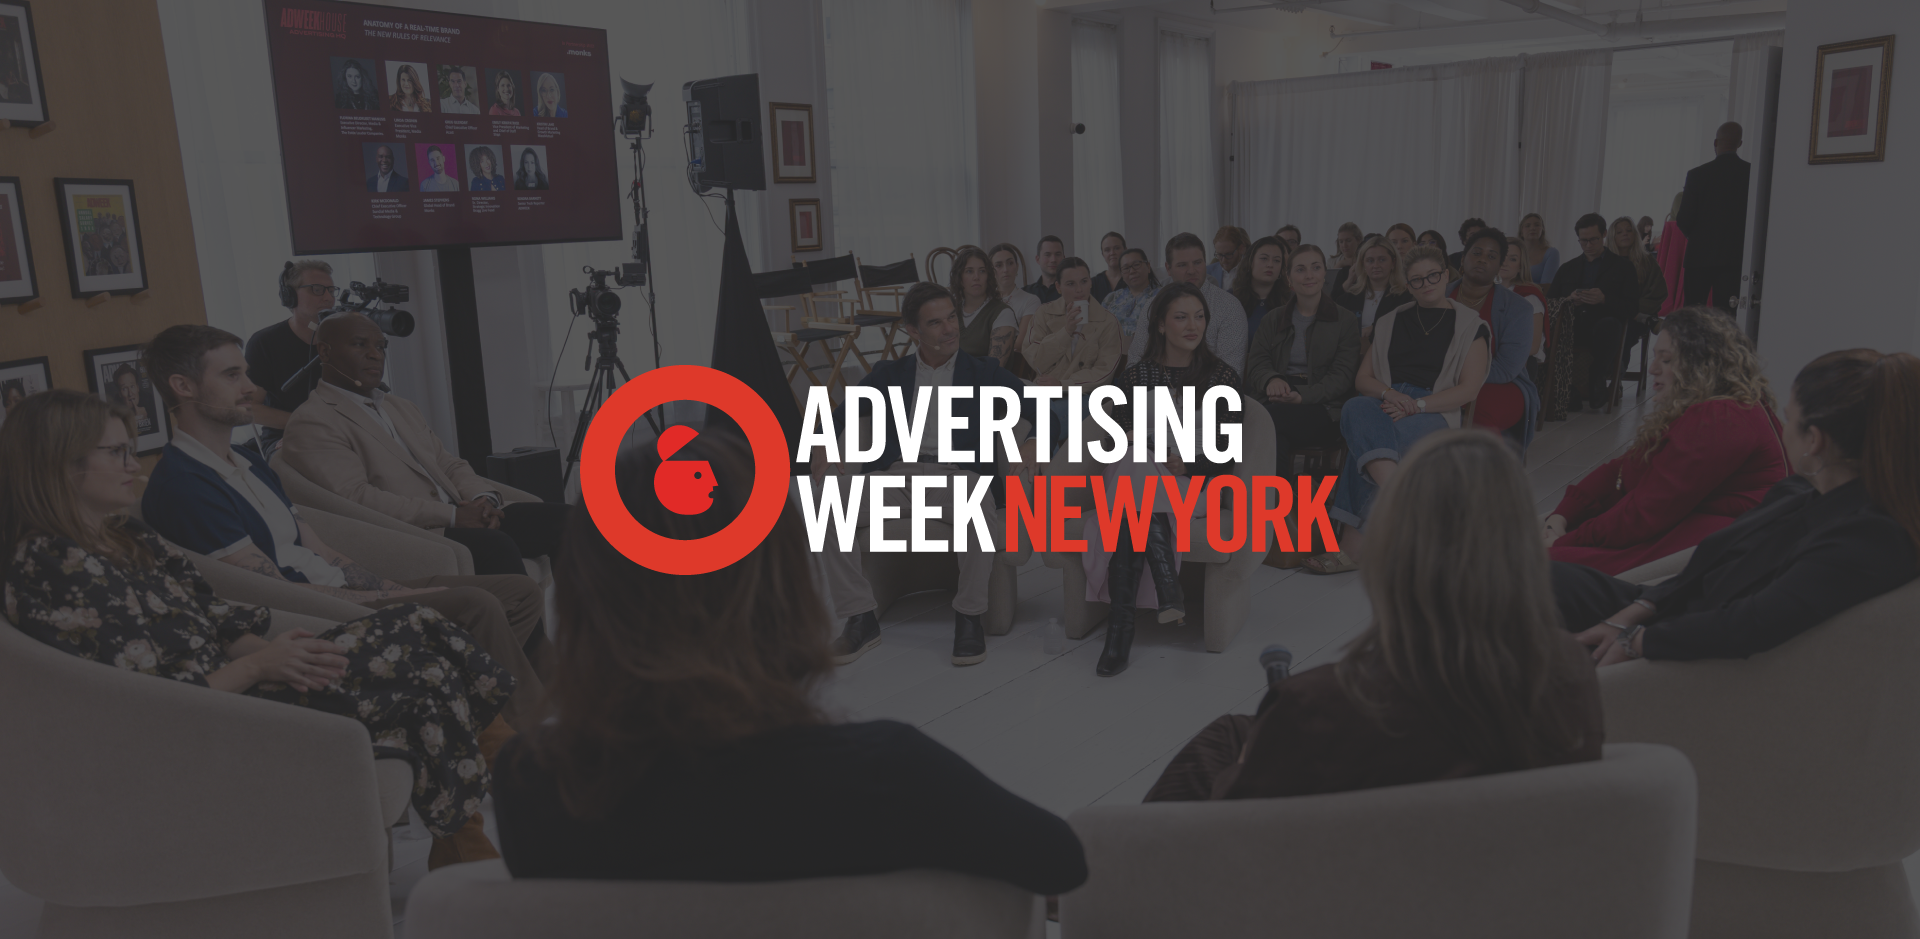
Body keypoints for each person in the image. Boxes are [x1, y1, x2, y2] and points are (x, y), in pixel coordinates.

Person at [492, 426, 1086, 892]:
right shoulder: (886, 771)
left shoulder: (529, 786)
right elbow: (1063, 865)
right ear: (786, 595)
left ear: (581, 601)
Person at [1, 390, 513, 868]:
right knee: (419, 670)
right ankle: (499, 812)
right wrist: (257, 666)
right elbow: (144, 701)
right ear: (62, 466)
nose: (134, 465)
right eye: (116, 452)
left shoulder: (124, 533)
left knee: (421, 624)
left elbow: (211, 611)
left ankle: (496, 808)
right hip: (205, 724)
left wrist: (277, 655)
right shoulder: (51, 568)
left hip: (240, 685)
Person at [1145, 430, 1602, 802]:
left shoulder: (1321, 701)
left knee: (1225, 745)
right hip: (1488, 889)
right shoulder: (1570, 671)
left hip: (1333, 890)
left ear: (1392, 553)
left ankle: (1108, 879)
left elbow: (1245, 826)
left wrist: (1248, 766)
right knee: (1235, 732)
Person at [141, 323, 551, 729]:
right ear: (184, 386)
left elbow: (320, 548)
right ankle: (533, 729)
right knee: (475, 604)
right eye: (232, 376)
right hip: (315, 610)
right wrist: (385, 598)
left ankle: (471, 708)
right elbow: (264, 588)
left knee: (520, 591)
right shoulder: (185, 484)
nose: (251, 387)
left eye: (245, 373)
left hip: (343, 586)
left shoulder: (247, 461)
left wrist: (398, 590)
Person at [1555, 349, 1920, 665]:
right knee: (1529, 575)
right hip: (1668, 608)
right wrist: (1630, 614)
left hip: (1684, 639)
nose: (1782, 428)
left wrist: (1632, 641)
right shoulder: (1801, 494)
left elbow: (1750, 624)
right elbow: (1707, 567)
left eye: (1789, 419)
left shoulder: (1870, 536)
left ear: (1814, 440)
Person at [808, 283, 1044, 668]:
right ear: (913, 331)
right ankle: (860, 616)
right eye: (935, 323)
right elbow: (843, 411)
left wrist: (1032, 441)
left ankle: (969, 617)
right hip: (895, 475)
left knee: (977, 513)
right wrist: (822, 446)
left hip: (957, 476)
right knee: (828, 504)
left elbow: (1040, 405)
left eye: (952, 317)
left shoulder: (983, 372)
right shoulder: (890, 373)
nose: (950, 328)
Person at [279, 312, 574, 577]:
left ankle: (586, 631)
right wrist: (454, 516)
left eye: (381, 346)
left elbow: (447, 463)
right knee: (496, 545)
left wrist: (484, 500)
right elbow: (357, 499)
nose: (374, 355)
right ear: (325, 352)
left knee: (569, 521)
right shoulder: (314, 421)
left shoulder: (399, 406)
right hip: (414, 531)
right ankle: (530, 640)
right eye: (359, 345)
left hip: (462, 513)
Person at [1544, 308, 1788, 575]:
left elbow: (1645, 514)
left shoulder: (1721, 417)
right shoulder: (1707, 408)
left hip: (1712, 550)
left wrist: (1565, 540)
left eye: (1667, 360)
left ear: (1702, 366)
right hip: (1681, 532)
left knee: (1527, 564)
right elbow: (1621, 469)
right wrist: (1562, 515)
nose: (1653, 369)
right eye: (1655, 358)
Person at [1094, 283, 1242, 676]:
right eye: (1181, 317)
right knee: (1136, 465)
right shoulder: (1136, 374)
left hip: (1192, 486)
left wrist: (1187, 467)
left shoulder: (1221, 377)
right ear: (1160, 324)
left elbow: (1226, 453)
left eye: (1199, 316)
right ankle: (1165, 587)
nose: (1192, 325)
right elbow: (1112, 438)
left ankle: (1119, 633)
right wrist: (1143, 445)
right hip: (1140, 475)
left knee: (1133, 490)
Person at [1314, 247, 1490, 573]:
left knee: (1366, 449)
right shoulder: (1391, 320)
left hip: (1434, 409)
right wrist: (1392, 395)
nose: (1426, 284)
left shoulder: (1470, 325)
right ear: (1407, 285)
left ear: (1446, 275)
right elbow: (1364, 379)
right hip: (1388, 400)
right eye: (1417, 280)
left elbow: (1468, 390)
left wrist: (1417, 405)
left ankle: (1351, 549)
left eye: (1432, 276)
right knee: (1356, 407)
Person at [1243, 243, 1360, 486]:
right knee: (1274, 434)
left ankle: (1268, 510)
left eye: (1316, 268)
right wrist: (1271, 380)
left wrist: (1300, 396)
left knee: (1267, 423)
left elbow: (1342, 376)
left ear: (1324, 273)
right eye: (1300, 269)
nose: (1309, 275)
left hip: (1324, 408)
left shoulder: (1345, 320)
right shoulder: (1272, 318)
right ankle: (1280, 512)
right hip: (1276, 398)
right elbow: (1256, 363)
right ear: (1288, 278)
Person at [1450, 228, 1539, 449]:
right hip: (1438, 381)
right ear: (1463, 258)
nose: (1482, 259)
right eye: (1476, 253)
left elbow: (1507, 369)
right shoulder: (1439, 296)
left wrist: (1454, 375)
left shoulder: (1519, 309)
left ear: (1499, 267)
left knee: (1478, 407)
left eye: (1491, 256)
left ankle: (1487, 479)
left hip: (1500, 383)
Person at [1547, 213, 1640, 411]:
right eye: (1583, 241)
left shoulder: (1623, 267)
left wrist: (1604, 299)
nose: (1588, 245)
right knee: (1553, 326)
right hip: (1572, 324)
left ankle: (1597, 375)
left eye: (1593, 240)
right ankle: (1567, 388)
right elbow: (1550, 303)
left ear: (1604, 234)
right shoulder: (1567, 268)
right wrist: (1569, 300)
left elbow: (1632, 308)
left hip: (1605, 327)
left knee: (1609, 325)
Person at [245, 259, 335, 453]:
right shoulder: (265, 342)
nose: (328, 297)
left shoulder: (343, 339)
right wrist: (304, 425)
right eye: (317, 289)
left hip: (341, 434)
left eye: (331, 290)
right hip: (286, 435)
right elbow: (249, 407)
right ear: (290, 297)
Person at [1124, 233, 1248, 373]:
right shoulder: (1154, 305)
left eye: (1197, 263)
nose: (1192, 271)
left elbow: (1230, 373)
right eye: (1182, 265)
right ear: (1168, 269)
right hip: (1156, 389)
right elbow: (1135, 362)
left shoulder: (1229, 307)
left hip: (1208, 391)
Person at [1676, 122, 1750, 314]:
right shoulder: (1750, 174)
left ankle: (1692, 345)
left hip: (1699, 256)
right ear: (1739, 143)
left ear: (1715, 142)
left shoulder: (1697, 175)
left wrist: (1698, 238)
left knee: (1693, 312)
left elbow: (1683, 218)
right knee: (1727, 315)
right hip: (1734, 258)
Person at [1024, 257, 1122, 390]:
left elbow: (1104, 371)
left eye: (1084, 281)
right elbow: (1036, 361)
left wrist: (1062, 385)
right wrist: (1066, 331)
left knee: (1052, 410)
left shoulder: (1108, 321)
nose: (1079, 289)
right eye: (1071, 284)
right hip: (1043, 390)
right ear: (1058, 287)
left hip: (1083, 393)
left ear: (1090, 283)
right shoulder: (1044, 313)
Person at [948, 245, 1017, 363]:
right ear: (959, 277)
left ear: (989, 276)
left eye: (982, 271)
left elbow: (994, 368)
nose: (976, 277)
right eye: (969, 271)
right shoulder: (951, 310)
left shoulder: (1002, 313)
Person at [1340, 235, 1411, 341]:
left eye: (1382, 260)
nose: (1376, 265)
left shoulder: (1405, 297)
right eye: (1370, 260)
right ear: (1363, 264)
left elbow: (1404, 331)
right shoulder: (1349, 297)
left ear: (1393, 262)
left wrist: (1374, 330)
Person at [1499, 237, 1549, 370]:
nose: (1504, 262)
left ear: (1521, 266)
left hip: (1523, 361)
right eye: (1502, 256)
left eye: (1513, 259)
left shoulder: (1530, 297)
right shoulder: (1484, 292)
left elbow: (1533, 346)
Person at [1611, 215, 1667, 331]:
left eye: (1629, 230)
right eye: (1619, 232)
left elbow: (1658, 292)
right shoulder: (1606, 261)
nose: (1625, 234)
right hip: (1610, 313)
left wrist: (1632, 309)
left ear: (1635, 234)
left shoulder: (1647, 260)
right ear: (1612, 237)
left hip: (1640, 312)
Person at [1228, 235, 1290, 339]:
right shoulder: (1230, 299)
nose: (1270, 264)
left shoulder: (1291, 300)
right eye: (1264, 259)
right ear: (1250, 262)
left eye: (1276, 260)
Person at [1101, 247, 1159, 348]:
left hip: (1147, 355)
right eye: (1126, 268)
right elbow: (1099, 329)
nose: (1132, 271)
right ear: (1122, 274)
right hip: (1110, 354)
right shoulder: (1111, 298)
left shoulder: (1161, 296)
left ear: (1148, 266)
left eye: (1136, 265)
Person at [988, 242, 1041, 324]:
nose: (1005, 269)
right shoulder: (984, 301)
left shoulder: (1030, 300)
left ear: (1017, 266)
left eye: (1010, 263)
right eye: (999, 265)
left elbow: (1024, 336)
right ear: (991, 270)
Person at [1519, 212, 1561, 284]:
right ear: (1521, 232)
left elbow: (1546, 285)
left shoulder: (1551, 253)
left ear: (1542, 230)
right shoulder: (1513, 252)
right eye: (1527, 226)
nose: (1532, 228)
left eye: (1537, 225)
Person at [1325, 222, 1362, 304]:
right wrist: (1340, 264)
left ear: (1358, 240)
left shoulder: (1365, 260)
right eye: (1341, 241)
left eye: (1348, 241)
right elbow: (1328, 289)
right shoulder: (1331, 261)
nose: (1344, 245)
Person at [1025, 235, 1065, 304]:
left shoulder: (1071, 291)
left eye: (1058, 254)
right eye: (1047, 255)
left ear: (1063, 258)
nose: (1053, 260)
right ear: (1038, 259)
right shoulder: (1026, 293)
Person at [110, 364, 151, 428]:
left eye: (132, 386)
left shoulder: (151, 402)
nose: (130, 393)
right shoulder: (113, 412)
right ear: (120, 393)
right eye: (124, 389)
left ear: (137, 387)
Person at [1091, 231, 1127, 303]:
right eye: (1107, 250)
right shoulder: (1094, 283)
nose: (1112, 253)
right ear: (1103, 254)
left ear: (1125, 250)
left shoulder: (1132, 279)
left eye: (1116, 248)